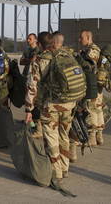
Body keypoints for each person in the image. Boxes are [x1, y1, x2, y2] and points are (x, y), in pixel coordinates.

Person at [24, 32, 79, 190]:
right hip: (70, 103)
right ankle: (65, 168)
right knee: (64, 135)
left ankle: (56, 175)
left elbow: (32, 85)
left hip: (52, 105)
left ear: (40, 45)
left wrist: (29, 108)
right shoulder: (66, 54)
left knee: (51, 139)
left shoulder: (42, 58)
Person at [79, 30, 103, 146]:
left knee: (91, 110)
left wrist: (79, 59)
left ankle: (93, 137)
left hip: (92, 84)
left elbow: (89, 66)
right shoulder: (89, 50)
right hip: (95, 84)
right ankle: (99, 135)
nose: (80, 40)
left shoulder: (93, 50)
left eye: (81, 38)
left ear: (88, 38)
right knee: (97, 109)